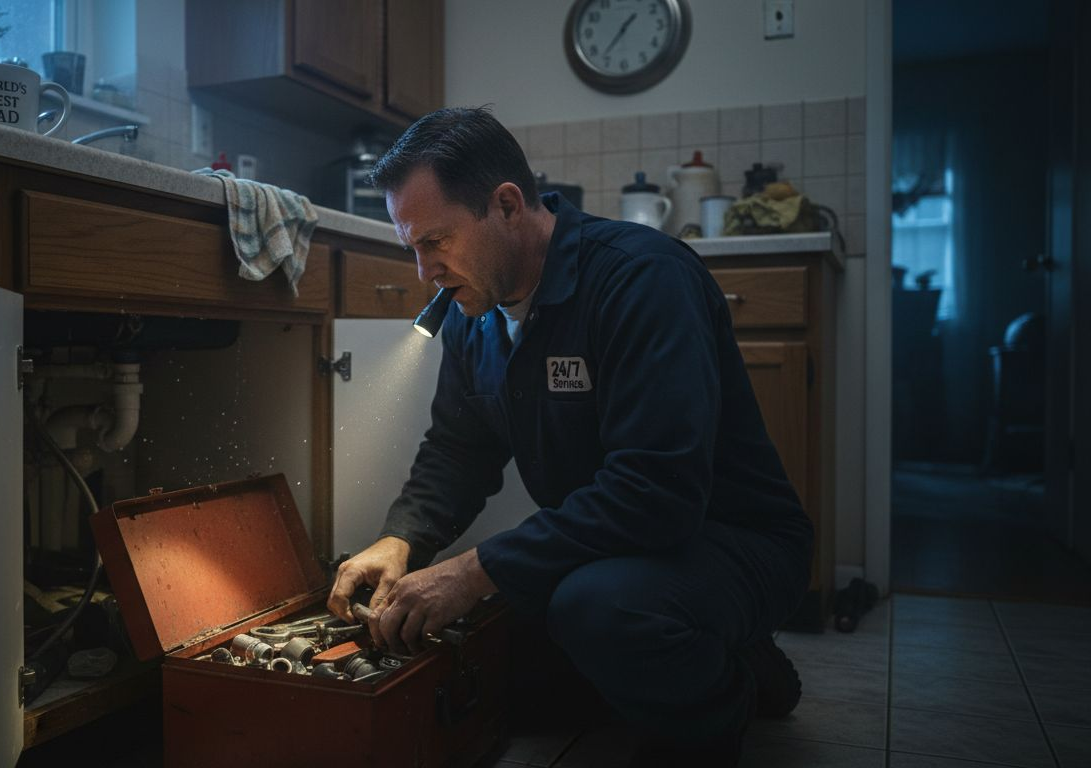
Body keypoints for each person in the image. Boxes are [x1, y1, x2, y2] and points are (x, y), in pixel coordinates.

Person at [326, 107, 813, 765]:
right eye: (412, 247)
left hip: (729, 538)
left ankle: (729, 701)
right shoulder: (476, 314)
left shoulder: (642, 280)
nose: (424, 271)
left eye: (435, 240)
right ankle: (726, 654)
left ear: (506, 206)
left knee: (597, 614)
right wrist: (402, 537)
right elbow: (459, 449)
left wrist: (474, 571)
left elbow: (657, 493)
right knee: (516, 672)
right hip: (619, 547)